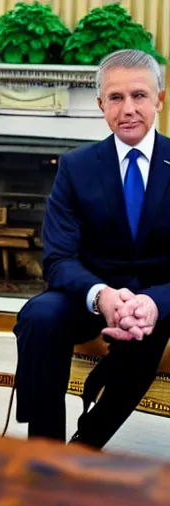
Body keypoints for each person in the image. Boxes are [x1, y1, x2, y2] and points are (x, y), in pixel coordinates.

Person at [14, 48, 170, 449]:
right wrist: (101, 296)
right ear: (101, 105)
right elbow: (58, 259)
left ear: (159, 99)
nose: (128, 108)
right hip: (93, 293)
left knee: (143, 333)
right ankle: (44, 451)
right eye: (116, 98)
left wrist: (152, 303)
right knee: (39, 316)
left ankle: (85, 447)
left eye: (139, 95)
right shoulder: (75, 167)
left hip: (161, 298)